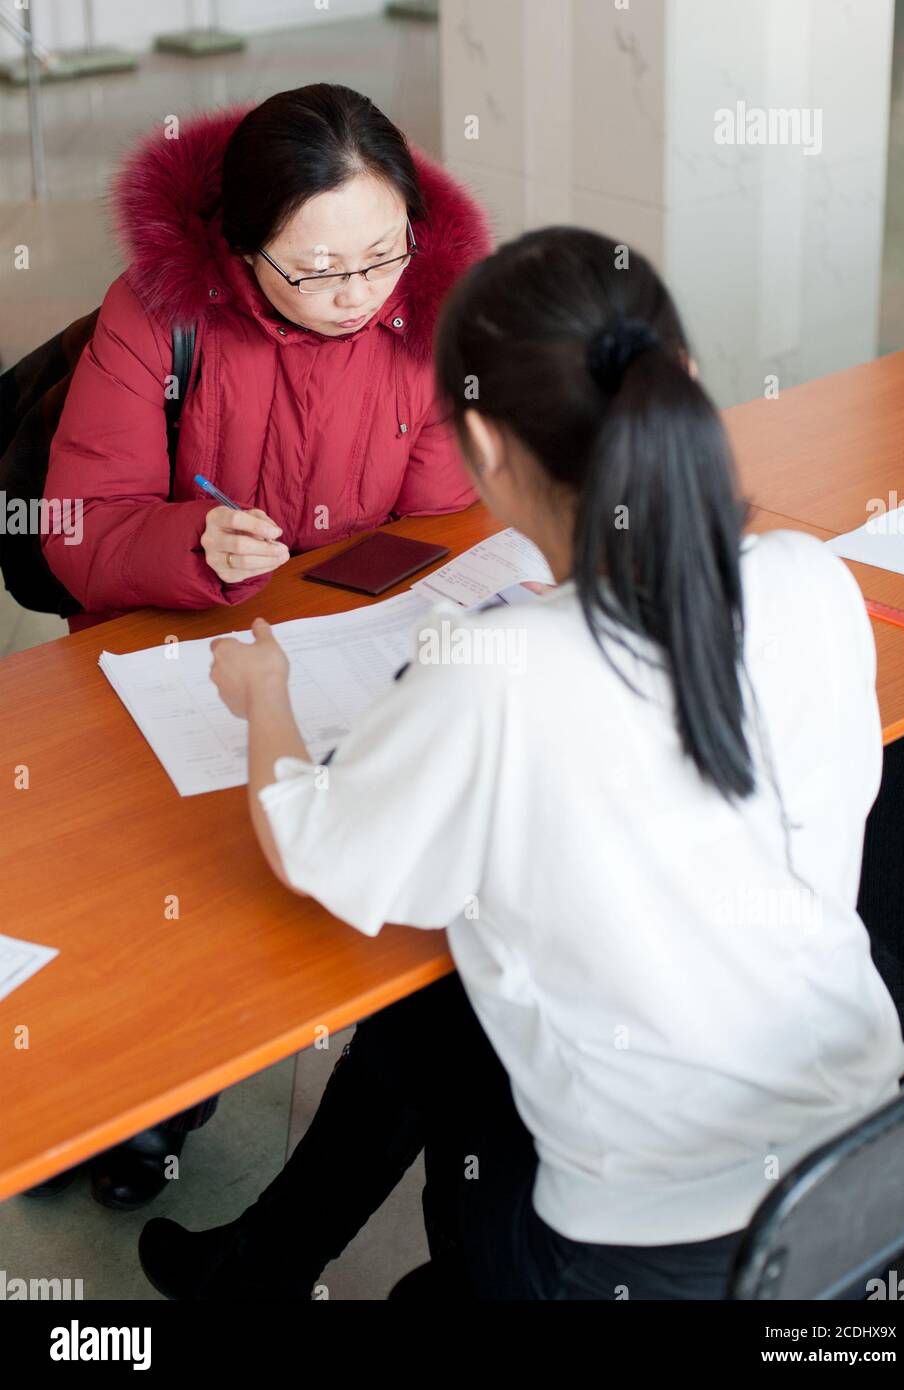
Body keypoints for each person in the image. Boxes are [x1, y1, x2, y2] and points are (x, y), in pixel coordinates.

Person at [139, 227, 904, 1299]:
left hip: (646, 1249)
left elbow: (316, 850)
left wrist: (264, 694)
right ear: (682, 382)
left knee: (439, 1003)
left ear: (486, 453)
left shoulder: (501, 669)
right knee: (460, 977)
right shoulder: (808, 577)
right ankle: (269, 1259)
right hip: (869, 1164)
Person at [31, 82, 490, 1211]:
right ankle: (152, 1103)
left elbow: (443, 522)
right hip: (168, 650)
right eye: (318, 269)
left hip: (340, 648)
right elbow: (73, 522)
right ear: (240, 249)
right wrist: (192, 541)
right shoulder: (158, 313)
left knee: (351, 865)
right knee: (169, 889)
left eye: (382, 256)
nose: (358, 295)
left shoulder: (425, 306)